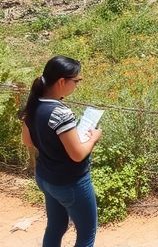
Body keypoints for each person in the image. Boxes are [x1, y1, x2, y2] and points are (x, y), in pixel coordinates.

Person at [20, 56, 102, 247]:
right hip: (70, 183)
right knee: (87, 234)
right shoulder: (60, 113)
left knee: (56, 226)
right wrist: (94, 138)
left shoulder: (32, 105)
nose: (77, 85)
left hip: (45, 177)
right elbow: (77, 154)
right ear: (61, 82)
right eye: (76, 81)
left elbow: (27, 141)